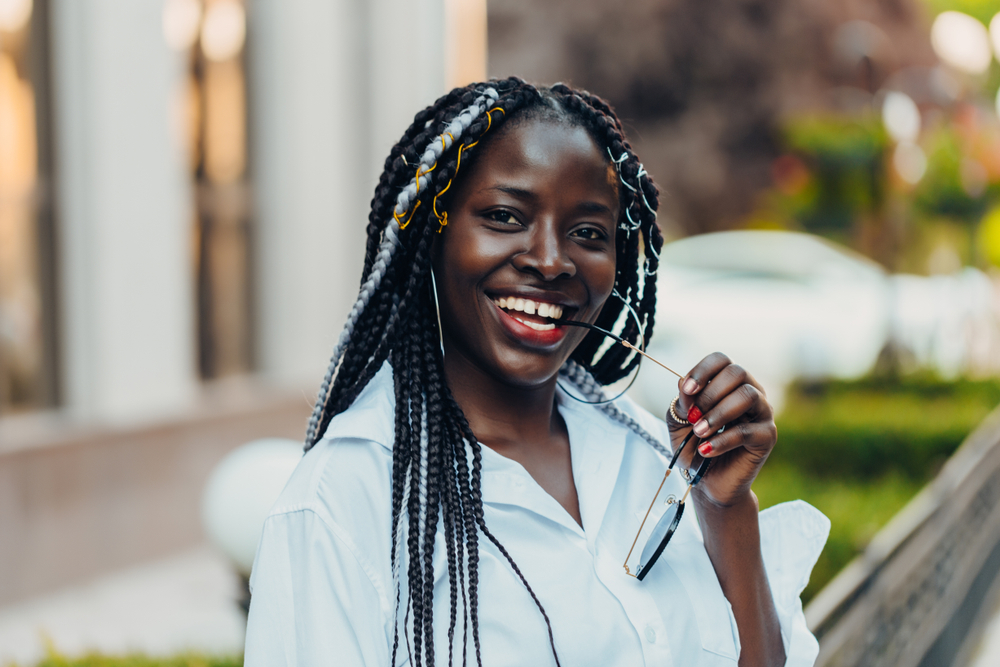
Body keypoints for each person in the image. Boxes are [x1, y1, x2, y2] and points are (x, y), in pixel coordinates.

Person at [244, 78, 829, 667]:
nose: (551, 260)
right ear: (434, 233)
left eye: (588, 233)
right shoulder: (344, 501)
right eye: (504, 216)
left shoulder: (651, 457)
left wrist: (727, 510)